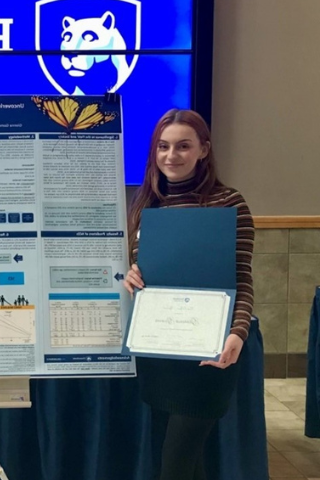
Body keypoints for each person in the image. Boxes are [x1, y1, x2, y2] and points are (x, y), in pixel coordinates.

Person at [123, 109, 255, 480]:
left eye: (183, 146)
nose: (171, 155)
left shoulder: (229, 203)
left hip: (208, 354)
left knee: (176, 465)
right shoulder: (144, 205)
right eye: (163, 146)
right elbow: (140, 273)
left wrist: (237, 333)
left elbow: (242, 278)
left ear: (204, 150)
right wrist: (131, 276)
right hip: (161, 351)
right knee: (186, 464)